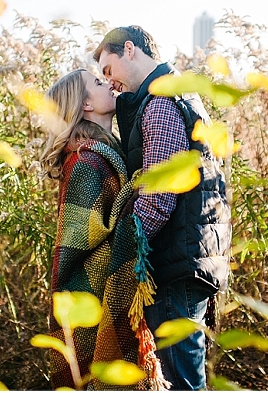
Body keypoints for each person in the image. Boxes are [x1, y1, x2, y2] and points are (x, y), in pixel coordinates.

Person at [93, 26, 232, 390]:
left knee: (180, 381)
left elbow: (158, 198)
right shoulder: (177, 94)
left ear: (129, 50)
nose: (110, 84)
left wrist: (121, 254)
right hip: (187, 259)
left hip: (175, 265)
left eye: (109, 70)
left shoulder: (160, 104)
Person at [40, 69, 167, 391]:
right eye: (97, 82)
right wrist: (139, 191)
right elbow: (80, 239)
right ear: (84, 104)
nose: (107, 83)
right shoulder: (87, 161)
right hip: (94, 289)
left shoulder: (107, 152)